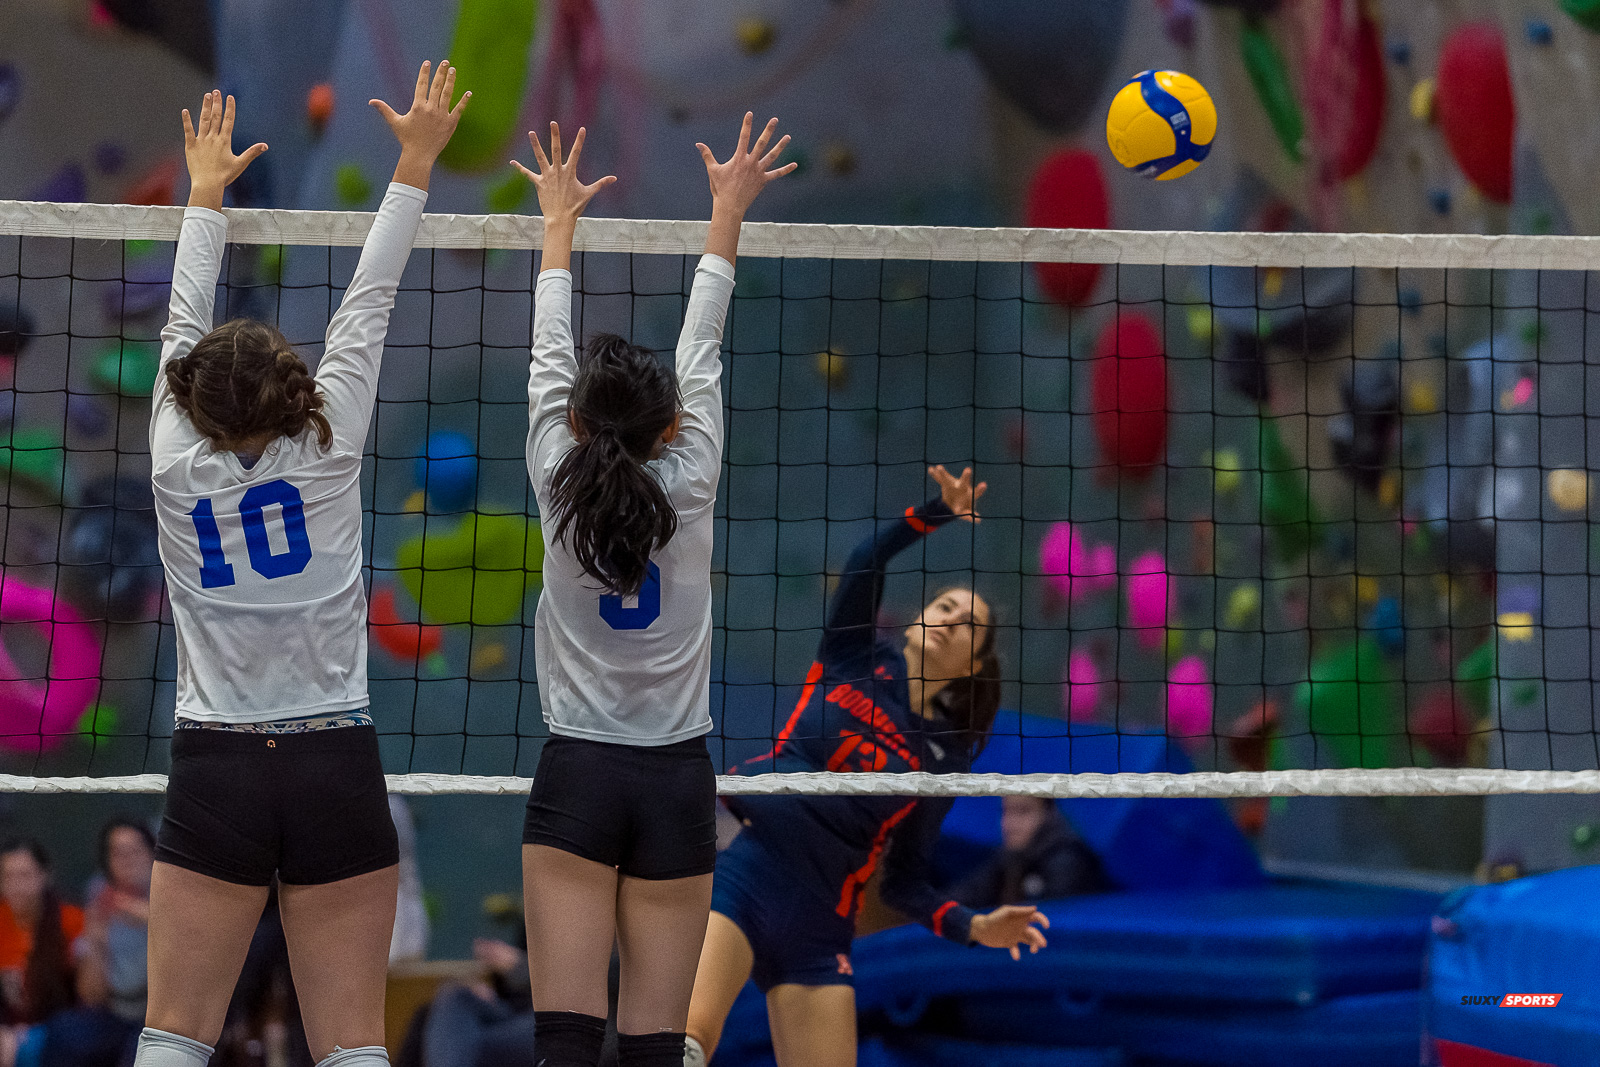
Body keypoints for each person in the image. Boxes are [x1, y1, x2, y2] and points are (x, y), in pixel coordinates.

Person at [136, 66, 465, 1067]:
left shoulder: (171, 459)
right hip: (333, 759)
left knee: (173, 1034)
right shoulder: (328, 446)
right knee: (352, 1044)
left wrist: (205, 190)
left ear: (191, 400)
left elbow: (181, 317)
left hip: (218, 765)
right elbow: (371, 298)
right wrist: (415, 159)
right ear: (290, 388)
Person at [513, 112, 793, 1067]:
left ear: (576, 423)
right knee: (655, 1051)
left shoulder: (555, 473)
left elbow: (549, 352)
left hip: (578, 776)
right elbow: (701, 341)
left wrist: (557, 223)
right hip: (677, 780)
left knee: (563, 1047)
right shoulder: (694, 475)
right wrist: (727, 210)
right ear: (671, 428)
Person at [683, 467, 1050, 1067]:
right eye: (945, 606)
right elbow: (867, 559)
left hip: (822, 928)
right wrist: (937, 512)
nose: (950, 620)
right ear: (918, 618)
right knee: (688, 1044)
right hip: (749, 878)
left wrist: (975, 927)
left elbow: (904, 882)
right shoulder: (852, 656)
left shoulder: (944, 760)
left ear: (973, 666)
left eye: (968, 625)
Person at [36, 818, 157, 1067]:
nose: (127, 860)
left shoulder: (171, 896)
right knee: (62, 1032)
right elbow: (91, 996)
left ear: (152, 854)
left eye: (135, 850)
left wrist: (148, 916)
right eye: (117, 853)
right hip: (115, 1012)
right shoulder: (99, 895)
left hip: (159, 1017)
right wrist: (96, 939)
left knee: (140, 1052)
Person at [950, 796, 1110, 909]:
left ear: (1048, 813)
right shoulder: (1008, 857)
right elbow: (966, 895)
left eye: (1023, 812)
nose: (1010, 824)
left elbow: (1050, 923)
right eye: (1005, 812)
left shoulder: (1068, 861)